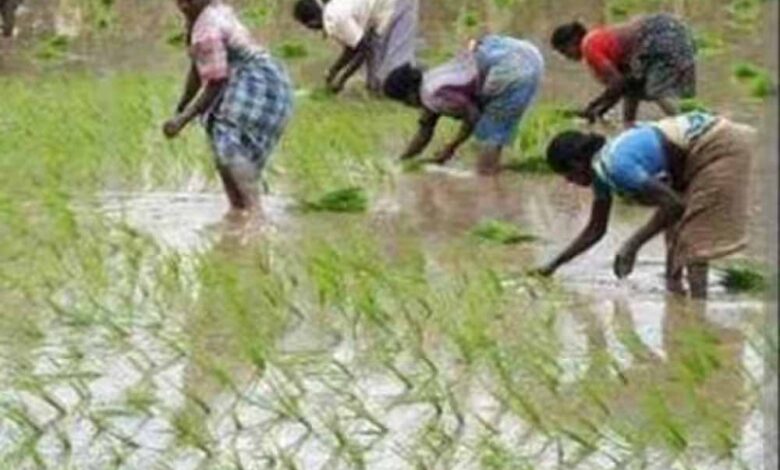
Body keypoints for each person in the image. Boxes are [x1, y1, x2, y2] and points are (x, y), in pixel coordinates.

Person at [537, 112, 755, 299]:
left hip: (718, 145)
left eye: (566, 174)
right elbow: (595, 230)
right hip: (700, 147)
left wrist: (632, 244)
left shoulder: (615, 166)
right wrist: (553, 266)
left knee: (693, 237)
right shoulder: (602, 171)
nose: (568, 181)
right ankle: (675, 294)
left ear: (576, 164)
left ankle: (698, 311)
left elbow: (674, 204)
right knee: (673, 231)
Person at [163, 0, 293, 216]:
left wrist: (182, 119)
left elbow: (216, 82)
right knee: (222, 142)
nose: (184, 5)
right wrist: (182, 106)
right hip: (260, 79)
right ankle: (238, 209)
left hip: (258, 84)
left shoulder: (207, 30)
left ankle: (253, 211)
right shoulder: (206, 17)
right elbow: (197, 67)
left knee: (227, 137)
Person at [382, 34, 544, 175]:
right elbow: (425, 129)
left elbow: (473, 115)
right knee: (491, 139)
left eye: (404, 102)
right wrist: (402, 161)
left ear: (409, 95)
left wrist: (451, 147)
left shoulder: (431, 96)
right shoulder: (432, 80)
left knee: (487, 155)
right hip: (526, 54)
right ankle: (508, 171)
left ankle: (494, 183)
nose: (408, 106)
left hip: (511, 71)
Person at [550, 14, 696, 127]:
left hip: (658, 36)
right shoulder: (600, 40)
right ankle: (683, 124)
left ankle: (684, 126)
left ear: (572, 41)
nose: (566, 57)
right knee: (642, 87)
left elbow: (617, 84)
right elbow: (627, 88)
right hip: (668, 32)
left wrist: (593, 107)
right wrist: (608, 115)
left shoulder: (588, 46)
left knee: (654, 90)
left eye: (564, 51)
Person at [293, 0, 418, 95]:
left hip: (395, 5)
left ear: (312, 23)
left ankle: (415, 90)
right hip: (382, 10)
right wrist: (333, 71)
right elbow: (353, 46)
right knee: (377, 73)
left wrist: (342, 80)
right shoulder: (332, 11)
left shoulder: (336, 19)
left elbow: (364, 51)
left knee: (393, 70)